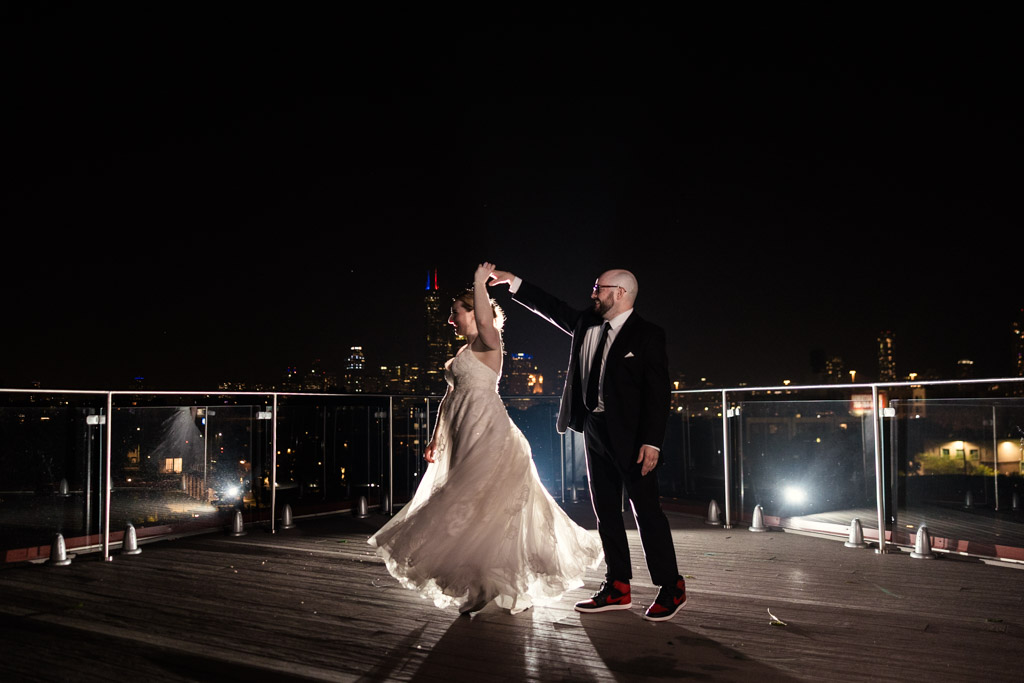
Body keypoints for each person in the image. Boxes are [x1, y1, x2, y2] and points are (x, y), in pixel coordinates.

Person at [368, 262, 603, 615]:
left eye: (455, 313)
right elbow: (450, 397)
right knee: (469, 509)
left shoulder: (489, 341)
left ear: (474, 313)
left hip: (488, 430)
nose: (450, 320)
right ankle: (480, 585)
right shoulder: (463, 352)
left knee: (481, 506)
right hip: (462, 430)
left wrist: (480, 283)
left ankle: (483, 589)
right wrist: (436, 438)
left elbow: (482, 319)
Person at [487, 266, 687, 622]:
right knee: (606, 511)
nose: (593, 294)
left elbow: (659, 393)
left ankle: (671, 586)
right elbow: (549, 306)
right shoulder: (586, 324)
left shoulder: (648, 335)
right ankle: (618, 586)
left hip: (633, 438)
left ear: (621, 293)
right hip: (593, 430)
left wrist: (652, 442)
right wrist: (513, 282)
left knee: (647, 513)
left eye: (599, 288)